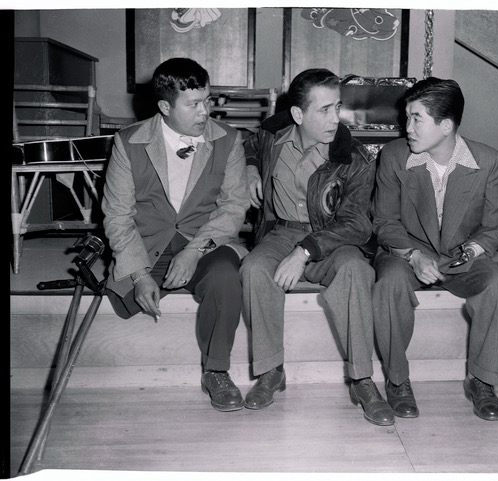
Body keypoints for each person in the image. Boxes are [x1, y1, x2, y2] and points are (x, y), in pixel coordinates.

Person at [240, 68, 394, 426]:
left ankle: (361, 379)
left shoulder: (353, 156)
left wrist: (305, 250)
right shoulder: (272, 135)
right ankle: (270, 371)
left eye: (336, 107)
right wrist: (249, 168)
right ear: (297, 115)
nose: (333, 118)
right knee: (253, 268)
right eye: (323, 110)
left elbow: (356, 224)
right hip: (280, 233)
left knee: (357, 270)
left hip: (332, 238)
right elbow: (248, 142)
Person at [101, 58, 250, 412]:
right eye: (194, 104)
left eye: (208, 100)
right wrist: (137, 274)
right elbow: (117, 216)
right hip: (149, 244)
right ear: (165, 107)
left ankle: (216, 371)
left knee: (226, 276)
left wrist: (195, 251)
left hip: (206, 240)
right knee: (125, 294)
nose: (205, 111)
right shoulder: (128, 142)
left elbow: (232, 208)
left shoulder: (229, 140)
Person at [371, 77, 498, 421]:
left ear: (446, 125)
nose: (406, 127)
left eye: (416, 118)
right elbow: (384, 221)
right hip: (405, 253)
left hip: (462, 256)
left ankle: (482, 380)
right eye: (406, 117)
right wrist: (413, 255)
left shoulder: (487, 161)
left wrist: (473, 251)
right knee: (389, 284)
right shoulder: (393, 156)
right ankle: (397, 380)